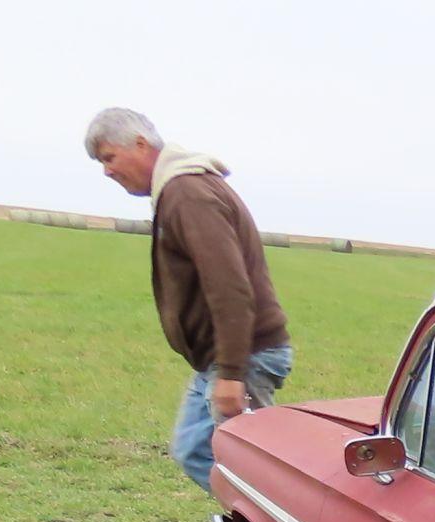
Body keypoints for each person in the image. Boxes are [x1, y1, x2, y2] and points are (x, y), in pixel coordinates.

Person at [82, 107, 292, 492]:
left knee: (249, 470)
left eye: (109, 158)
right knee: (195, 450)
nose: (107, 171)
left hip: (244, 357)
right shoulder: (178, 191)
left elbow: (229, 286)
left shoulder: (187, 194)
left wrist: (231, 373)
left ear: (141, 144)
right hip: (223, 358)